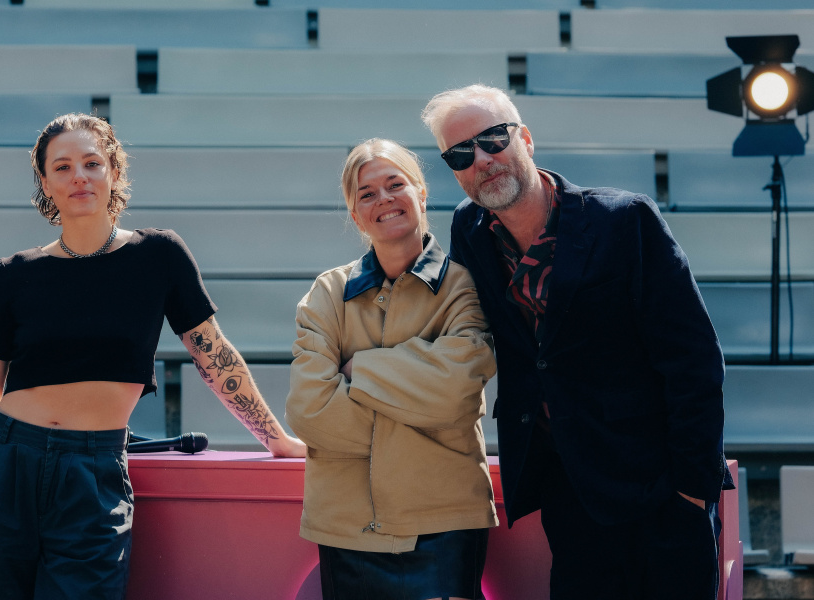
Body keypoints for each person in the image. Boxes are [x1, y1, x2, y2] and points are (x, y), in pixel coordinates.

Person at [0, 113, 305, 599]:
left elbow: (213, 356)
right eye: (62, 167)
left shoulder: (159, 254)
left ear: (114, 171)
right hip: (4, 466)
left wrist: (276, 439)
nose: (79, 177)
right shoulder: (14, 274)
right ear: (45, 182)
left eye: (92, 163)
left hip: (94, 470)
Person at [421, 84, 733, 600]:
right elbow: (457, 328)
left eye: (493, 139)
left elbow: (693, 360)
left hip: (659, 489)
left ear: (525, 139)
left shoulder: (624, 219)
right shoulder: (469, 229)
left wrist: (691, 492)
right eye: (460, 154)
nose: (481, 160)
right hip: (569, 491)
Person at [285, 138, 498, 600]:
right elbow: (309, 410)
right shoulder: (327, 292)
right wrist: (421, 418)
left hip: (445, 521)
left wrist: (358, 369)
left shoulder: (464, 287)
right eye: (367, 193)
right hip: (346, 524)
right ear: (356, 214)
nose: (383, 199)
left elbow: (456, 391)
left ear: (421, 193)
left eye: (395, 184)